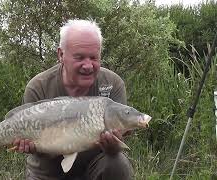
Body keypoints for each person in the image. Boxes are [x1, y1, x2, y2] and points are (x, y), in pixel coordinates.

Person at [13, 19, 134, 180]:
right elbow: (38, 151)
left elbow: (116, 145)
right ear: (61, 55)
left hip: (94, 167)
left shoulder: (112, 83)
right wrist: (32, 147)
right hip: (48, 173)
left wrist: (114, 145)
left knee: (117, 163)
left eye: (94, 57)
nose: (88, 65)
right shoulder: (38, 87)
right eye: (80, 57)